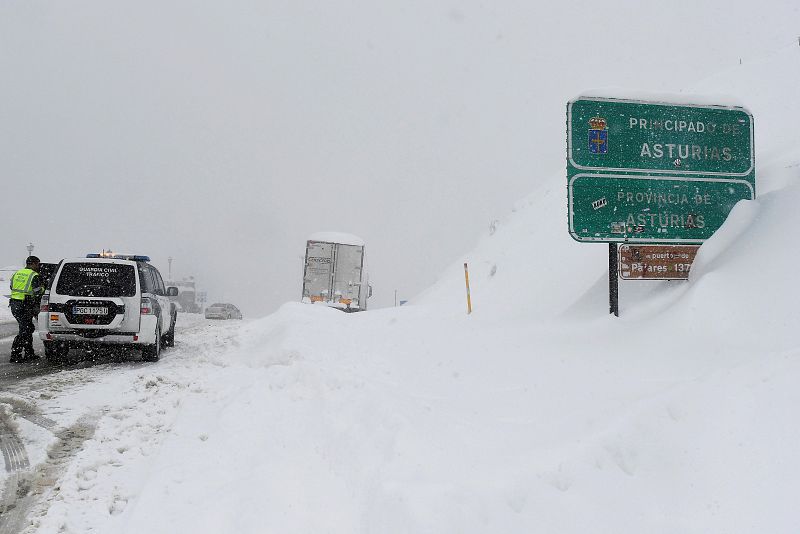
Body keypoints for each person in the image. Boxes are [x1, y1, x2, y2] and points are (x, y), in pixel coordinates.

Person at [9, 256, 44, 363]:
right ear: (33, 264)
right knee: (25, 330)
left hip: (15, 304)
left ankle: (29, 353)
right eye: (38, 264)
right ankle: (15, 354)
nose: (38, 266)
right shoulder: (34, 276)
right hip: (25, 305)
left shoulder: (17, 273)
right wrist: (44, 287)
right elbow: (38, 291)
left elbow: (12, 287)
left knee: (27, 328)